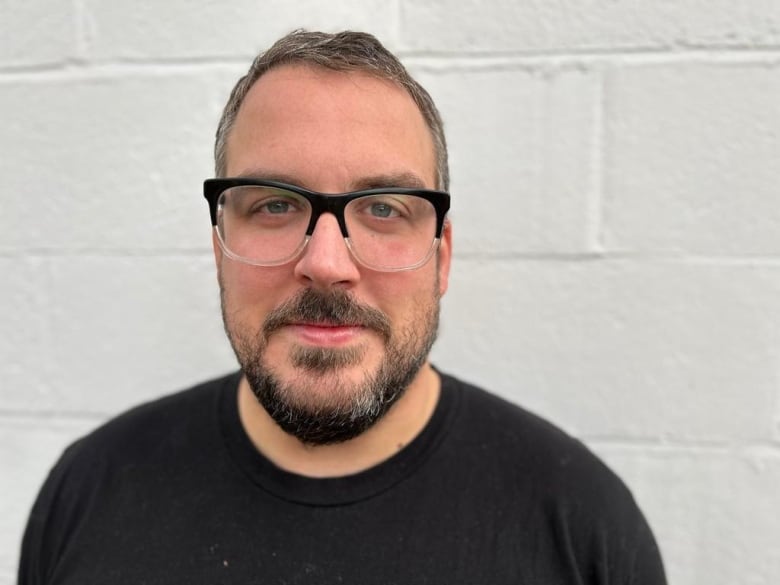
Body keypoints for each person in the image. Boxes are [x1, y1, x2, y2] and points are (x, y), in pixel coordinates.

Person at [18, 30, 666, 584]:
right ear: (220, 247)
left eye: (383, 208)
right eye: (274, 203)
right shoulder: (89, 492)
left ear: (440, 257)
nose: (327, 262)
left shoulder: (581, 529)